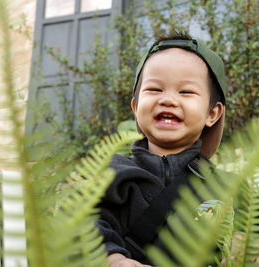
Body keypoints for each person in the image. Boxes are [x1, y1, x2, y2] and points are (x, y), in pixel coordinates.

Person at [96, 31, 227, 267]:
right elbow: (83, 224)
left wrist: (251, 246)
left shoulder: (228, 187)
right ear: (136, 107)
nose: (168, 100)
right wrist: (112, 257)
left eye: (186, 92)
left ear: (212, 113)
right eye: (155, 90)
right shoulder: (112, 174)